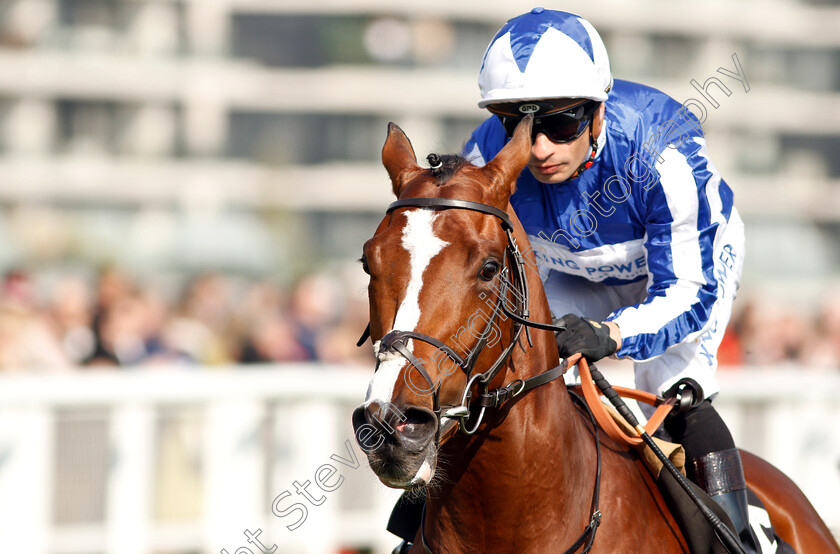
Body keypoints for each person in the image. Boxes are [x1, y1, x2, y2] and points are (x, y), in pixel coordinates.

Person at [458, 7, 758, 552]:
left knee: (675, 393)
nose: (540, 148)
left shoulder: (662, 148)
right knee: (512, 383)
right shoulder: (485, 158)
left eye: (560, 123)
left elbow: (686, 294)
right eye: (518, 124)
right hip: (575, 268)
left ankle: (736, 541)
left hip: (682, 275)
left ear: (599, 112)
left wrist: (613, 335)